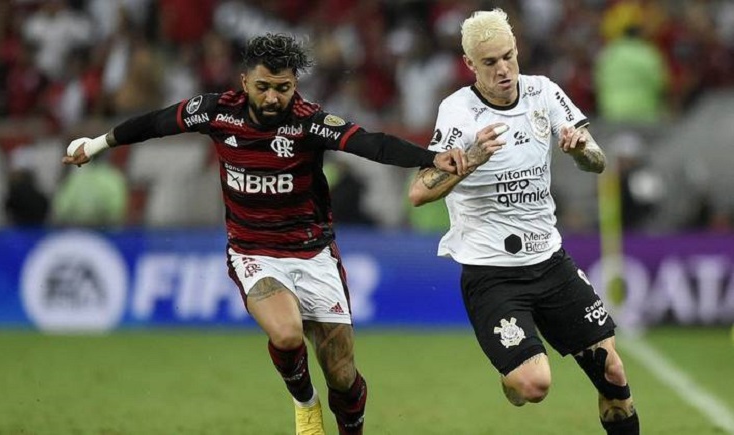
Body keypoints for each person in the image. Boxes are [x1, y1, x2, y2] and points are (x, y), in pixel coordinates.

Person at [62, 33, 466, 435]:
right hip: (253, 251)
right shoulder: (217, 112)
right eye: (263, 87)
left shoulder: (309, 121)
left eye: (282, 88)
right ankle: (306, 404)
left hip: (314, 253)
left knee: (343, 377)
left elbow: (371, 143)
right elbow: (155, 123)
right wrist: (96, 145)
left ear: (295, 84)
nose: (272, 98)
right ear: (244, 82)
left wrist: (431, 158)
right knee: (287, 335)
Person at [408, 9, 640, 435]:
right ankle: (512, 375)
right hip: (492, 274)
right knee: (535, 385)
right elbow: (420, 191)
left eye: (508, 56)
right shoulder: (458, 110)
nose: (503, 69)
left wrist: (579, 151)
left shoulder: (543, 93)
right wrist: (472, 158)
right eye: (490, 62)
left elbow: (597, 160)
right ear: (470, 64)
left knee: (614, 374)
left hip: (550, 263)